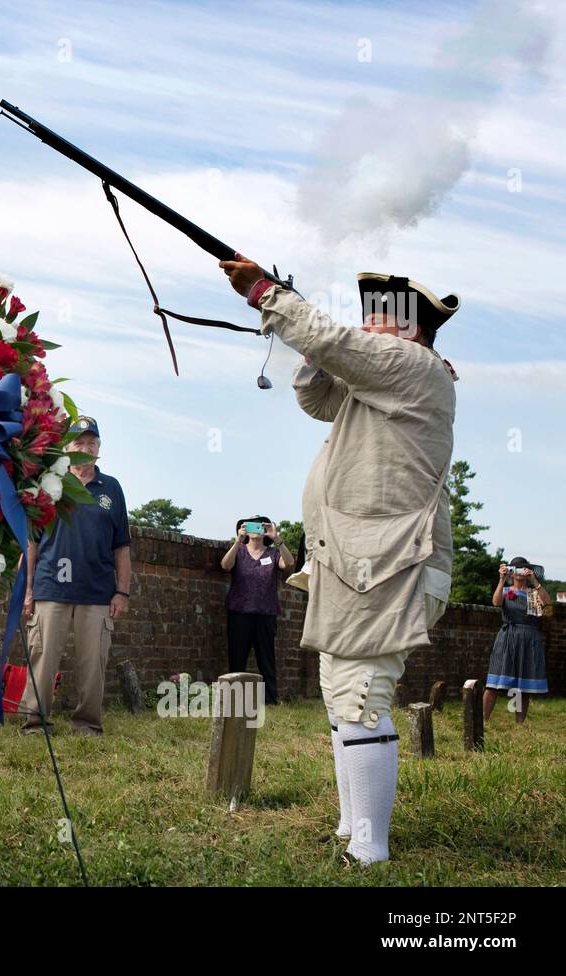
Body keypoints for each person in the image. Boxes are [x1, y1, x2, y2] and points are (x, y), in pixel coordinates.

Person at [220, 257, 459, 865]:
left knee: (361, 695)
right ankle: (353, 828)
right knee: (340, 695)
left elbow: (331, 341)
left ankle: (370, 848)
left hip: (386, 562)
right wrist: (312, 346)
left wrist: (266, 294)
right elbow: (317, 398)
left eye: (377, 319)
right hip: (360, 561)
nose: (366, 326)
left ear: (409, 329)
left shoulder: (414, 367)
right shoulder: (382, 376)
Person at [20, 416, 131, 736]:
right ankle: (35, 722)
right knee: (42, 658)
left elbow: (122, 546)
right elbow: (32, 542)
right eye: (78, 442)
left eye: (91, 442)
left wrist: (122, 592)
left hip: (97, 592)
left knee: (93, 663)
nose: (85, 447)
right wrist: (28, 591)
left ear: (99, 448)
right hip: (50, 587)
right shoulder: (49, 484)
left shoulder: (112, 488)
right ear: (66, 448)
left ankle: (87, 724)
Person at [220, 517, 294, 704]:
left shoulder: (273, 553)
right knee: (237, 658)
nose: (256, 527)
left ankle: (270, 699)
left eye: (260, 524)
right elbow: (225, 565)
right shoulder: (239, 551)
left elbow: (289, 564)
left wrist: (277, 539)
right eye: (251, 524)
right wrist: (238, 540)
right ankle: (234, 700)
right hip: (239, 612)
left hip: (266, 613)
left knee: (266, 659)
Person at [483, 557, 552, 723]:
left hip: (529, 639)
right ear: (511, 571)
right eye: (517, 569)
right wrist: (501, 579)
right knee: (494, 682)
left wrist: (534, 581)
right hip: (508, 636)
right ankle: (482, 720)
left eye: (523, 569)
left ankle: (519, 724)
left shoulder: (533, 593)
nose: (520, 572)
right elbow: (496, 602)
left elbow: (547, 604)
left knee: (523, 685)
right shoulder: (507, 591)